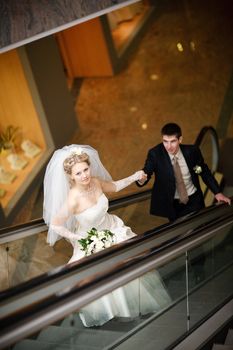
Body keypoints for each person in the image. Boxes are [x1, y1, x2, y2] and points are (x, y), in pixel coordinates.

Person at [43, 144, 171, 327]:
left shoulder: (95, 182)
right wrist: (77, 238)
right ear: (71, 176)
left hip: (112, 227)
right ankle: (116, 313)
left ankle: (134, 305)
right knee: (105, 274)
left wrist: (134, 176)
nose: (84, 175)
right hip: (91, 239)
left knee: (130, 264)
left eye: (85, 169)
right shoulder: (73, 198)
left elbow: (115, 187)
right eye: (78, 173)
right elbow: (55, 224)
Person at [137, 123, 231, 222]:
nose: (168, 147)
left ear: (180, 139)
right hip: (173, 205)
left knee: (200, 224)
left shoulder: (192, 152)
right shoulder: (155, 154)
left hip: (194, 199)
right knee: (180, 231)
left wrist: (217, 192)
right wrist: (142, 179)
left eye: (173, 141)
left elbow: (202, 171)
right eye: (165, 141)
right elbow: (147, 171)